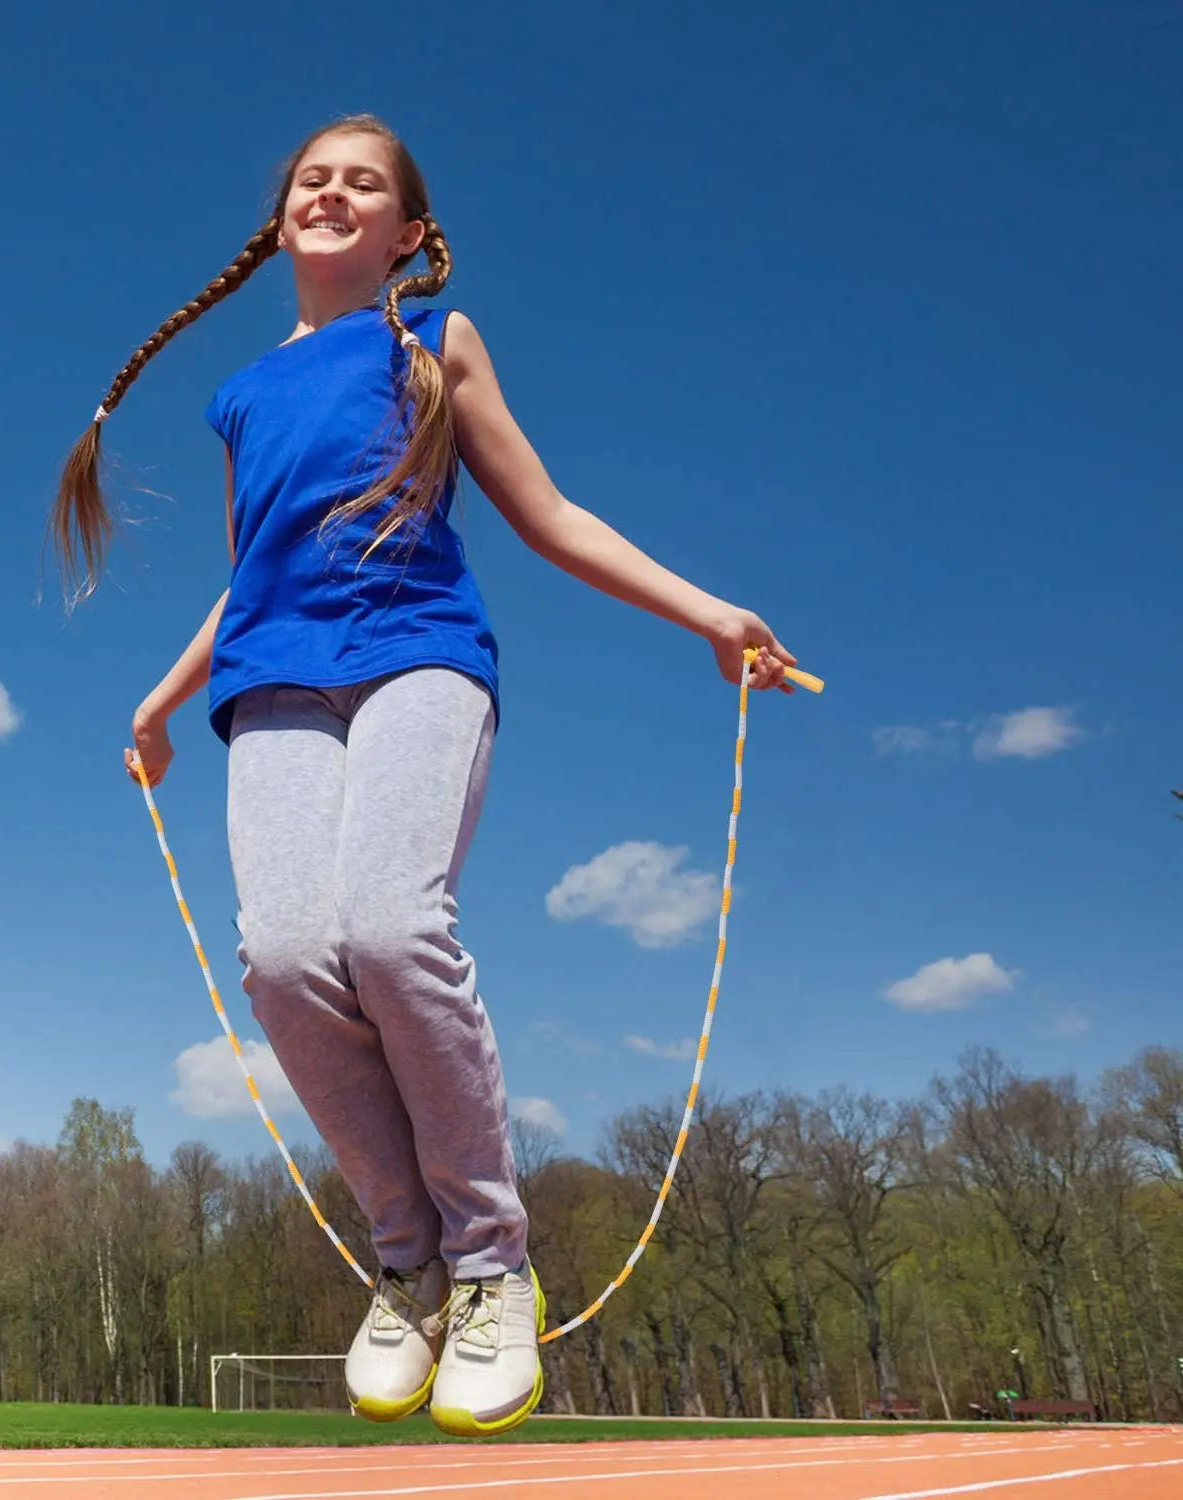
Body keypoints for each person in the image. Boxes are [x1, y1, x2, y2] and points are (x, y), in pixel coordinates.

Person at [48, 112, 795, 1438]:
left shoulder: (430, 346)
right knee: (283, 958)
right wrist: (161, 703)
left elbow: (550, 516)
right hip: (273, 682)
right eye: (311, 178)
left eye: (365, 183)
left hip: (417, 657)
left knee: (391, 929)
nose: (331, 192)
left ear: (407, 234)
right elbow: (251, 578)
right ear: (283, 218)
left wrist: (711, 613)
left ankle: (492, 1262)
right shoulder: (241, 396)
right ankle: (411, 1264)